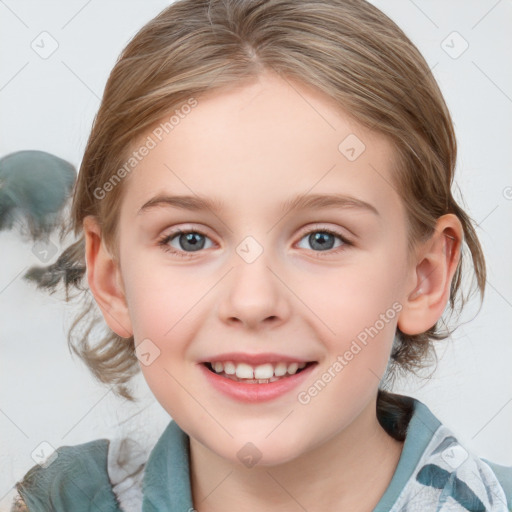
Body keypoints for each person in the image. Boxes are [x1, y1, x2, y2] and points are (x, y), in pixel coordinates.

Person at [11, 0, 512, 510]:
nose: (252, 302)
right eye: (190, 239)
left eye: (323, 239)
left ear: (424, 278)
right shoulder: (60, 499)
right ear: (112, 280)